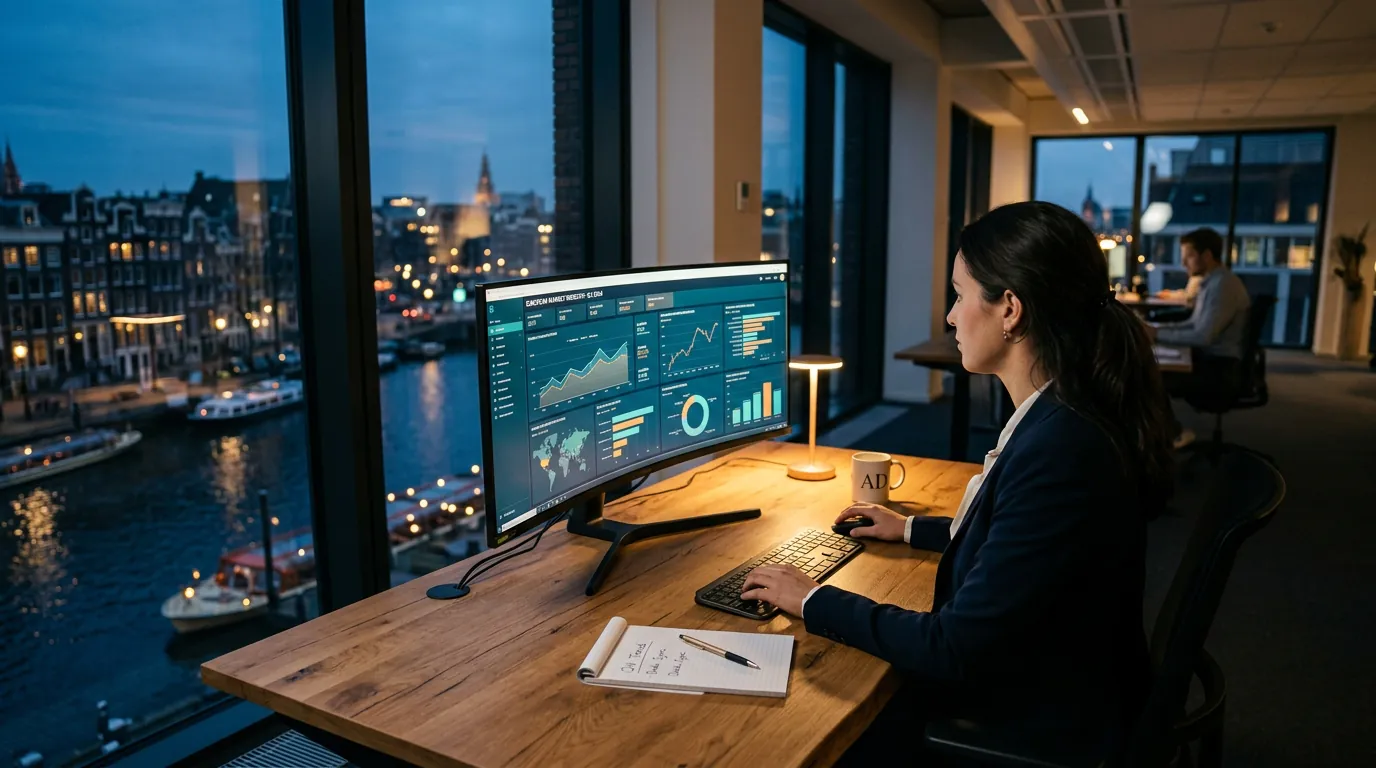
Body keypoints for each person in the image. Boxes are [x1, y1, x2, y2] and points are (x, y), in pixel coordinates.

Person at [741, 201, 1175, 763]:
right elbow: (1026, 543)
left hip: (1035, 717)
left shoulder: (1062, 450)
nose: (950, 317)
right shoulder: (1068, 415)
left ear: (1010, 310)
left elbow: (953, 648)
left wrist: (812, 598)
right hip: (1067, 676)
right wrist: (913, 528)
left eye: (959, 294)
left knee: (804, 721)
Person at [1146, 227, 1252, 448]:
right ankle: (1162, 432)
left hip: (1220, 369)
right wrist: (1157, 329)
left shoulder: (1223, 285)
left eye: (1189, 257)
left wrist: (1156, 333)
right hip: (1211, 359)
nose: (1184, 263)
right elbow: (1193, 324)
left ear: (1207, 255)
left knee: (1147, 378)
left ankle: (1173, 433)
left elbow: (1203, 336)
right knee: (1150, 369)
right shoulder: (1212, 282)